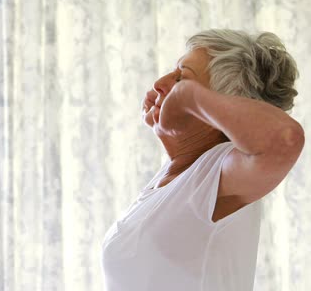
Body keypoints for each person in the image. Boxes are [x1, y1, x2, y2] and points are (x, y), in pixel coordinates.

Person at [100, 29, 305, 291]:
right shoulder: (173, 177)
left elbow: (286, 138)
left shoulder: (219, 173)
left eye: (182, 79)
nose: (160, 84)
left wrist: (189, 97)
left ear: (215, 108)